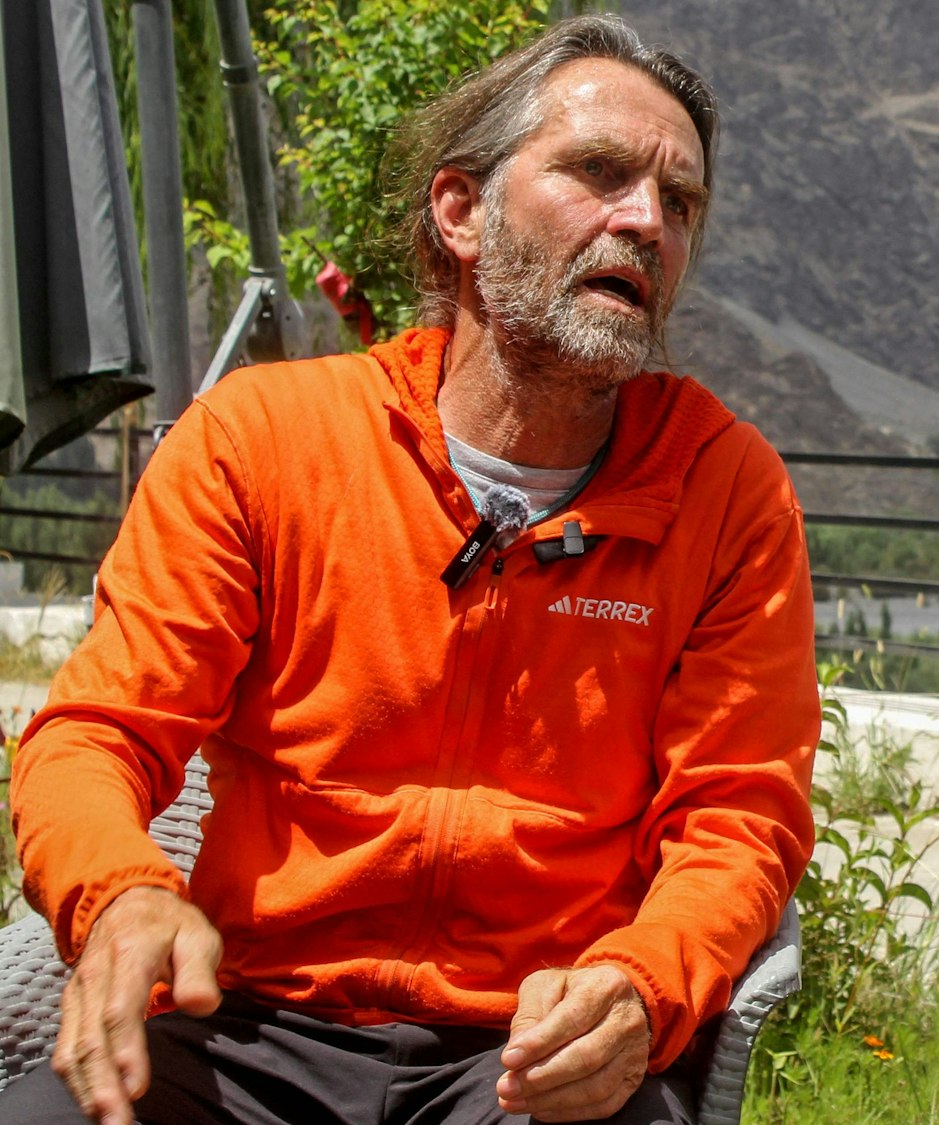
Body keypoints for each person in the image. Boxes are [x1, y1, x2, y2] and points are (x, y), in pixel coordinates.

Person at [3, 15, 818, 1125]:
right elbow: (97, 735)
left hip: (527, 1058)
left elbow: (738, 822)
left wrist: (644, 981)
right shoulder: (266, 439)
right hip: (239, 1026)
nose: (645, 222)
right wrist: (122, 895)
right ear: (461, 211)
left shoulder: (724, 491)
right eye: (598, 173)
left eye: (679, 204)